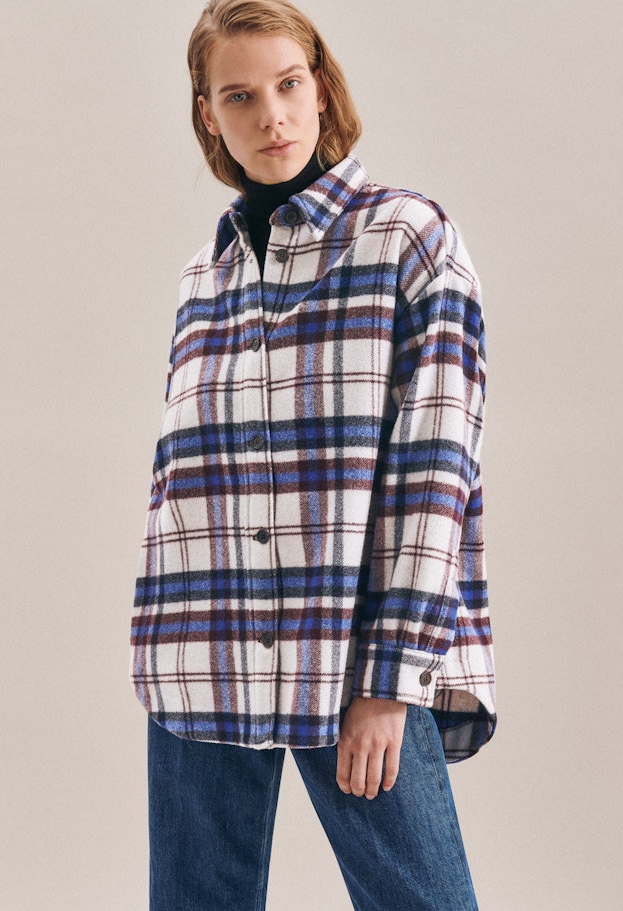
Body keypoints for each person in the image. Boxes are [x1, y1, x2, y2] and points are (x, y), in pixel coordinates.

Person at [130, 1, 497, 908]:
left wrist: (389, 681)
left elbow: (436, 475)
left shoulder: (406, 238)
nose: (272, 117)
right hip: (201, 658)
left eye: (289, 85)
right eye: (240, 96)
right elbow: (180, 490)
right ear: (208, 114)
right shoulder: (203, 279)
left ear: (322, 89)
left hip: (352, 657)